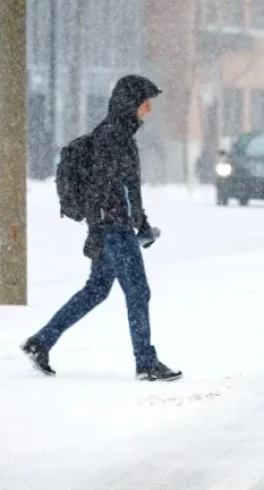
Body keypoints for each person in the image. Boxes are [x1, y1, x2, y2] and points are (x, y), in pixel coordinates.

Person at [21, 75, 182, 382]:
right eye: (145, 103)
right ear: (130, 103)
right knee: (138, 292)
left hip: (115, 226)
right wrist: (108, 224)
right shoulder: (111, 137)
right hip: (114, 229)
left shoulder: (120, 135)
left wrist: (142, 222)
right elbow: (106, 187)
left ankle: (40, 342)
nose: (148, 109)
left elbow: (128, 188)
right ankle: (146, 363)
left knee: (96, 290)